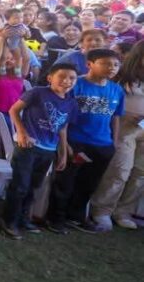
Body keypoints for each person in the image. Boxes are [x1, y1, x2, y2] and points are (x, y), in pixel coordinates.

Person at [48, 48, 124, 234]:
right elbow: (62, 114)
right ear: (90, 64)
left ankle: (75, 217)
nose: (112, 68)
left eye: (115, 64)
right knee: (65, 181)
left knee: (89, 183)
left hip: (102, 145)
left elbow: (115, 117)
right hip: (76, 142)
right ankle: (55, 218)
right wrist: (65, 145)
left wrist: (113, 143)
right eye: (105, 63)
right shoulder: (76, 85)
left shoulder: (116, 89)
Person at [3, 62, 78, 238]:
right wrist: (22, 133)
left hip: (49, 150)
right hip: (28, 146)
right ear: (50, 77)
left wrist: (63, 153)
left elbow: (62, 128)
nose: (67, 81)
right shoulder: (38, 92)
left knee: (33, 186)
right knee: (20, 185)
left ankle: (23, 219)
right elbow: (14, 110)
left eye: (72, 78)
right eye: (62, 76)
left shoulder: (71, 103)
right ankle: (9, 221)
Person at [90, 40, 144, 230]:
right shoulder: (121, 75)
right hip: (123, 128)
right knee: (120, 171)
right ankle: (102, 210)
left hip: (142, 130)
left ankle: (123, 211)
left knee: (140, 174)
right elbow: (106, 99)